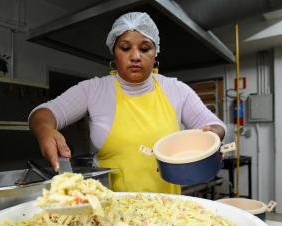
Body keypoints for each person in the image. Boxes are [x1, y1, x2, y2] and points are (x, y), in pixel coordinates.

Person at [29, 12, 226, 194]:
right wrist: (45, 129)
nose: (135, 56)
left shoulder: (176, 90)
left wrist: (211, 140)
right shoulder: (94, 90)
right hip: (110, 213)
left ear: (155, 53)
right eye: (125, 48)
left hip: (165, 211)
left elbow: (215, 125)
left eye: (144, 48)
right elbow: (44, 113)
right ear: (113, 52)